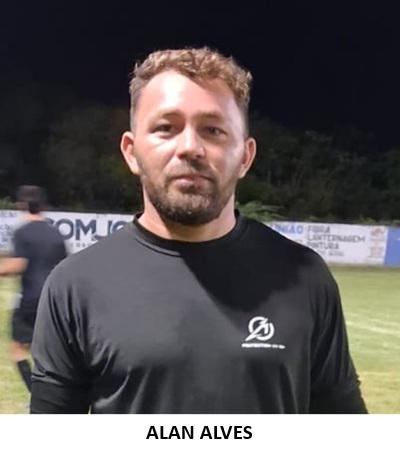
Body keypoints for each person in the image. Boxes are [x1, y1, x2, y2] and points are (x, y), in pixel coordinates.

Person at [30, 47, 367, 413]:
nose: (190, 147)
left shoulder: (305, 277)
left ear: (245, 156)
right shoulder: (75, 285)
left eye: (213, 130)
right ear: (131, 151)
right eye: (165, 128)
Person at [0, 185, 67, 392]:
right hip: (55, 300)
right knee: (51, 351)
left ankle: (36, 394)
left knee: (18, 350)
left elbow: (18, 264)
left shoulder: (23, 232)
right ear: (43, 206)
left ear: (21, 205)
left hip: (30, 298)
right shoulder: (56, 233)